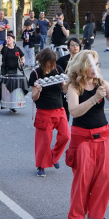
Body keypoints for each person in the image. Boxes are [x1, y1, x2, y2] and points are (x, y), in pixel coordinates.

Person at [65, 50, 109, 219]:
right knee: (83, 178)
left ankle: (97, 215)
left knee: (104, 177)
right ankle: (76, 216)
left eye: (97, 64)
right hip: (82, 137)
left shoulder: (101, 83)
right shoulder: (74, 86)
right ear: (82, 66)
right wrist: (95, 98)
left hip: (103, 135)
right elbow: (74, 111)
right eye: (91, 64)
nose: (94, 68)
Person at [28, 49, 71, 177]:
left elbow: (64, 89)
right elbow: (34, 97)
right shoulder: (35, 74)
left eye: (53, 62)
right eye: (50, 63)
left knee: (66, 136)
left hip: (59, 109)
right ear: (43, 62)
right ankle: (41, 166)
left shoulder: (58, 69)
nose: (52, 65)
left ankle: (53, 155)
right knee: (44, 141)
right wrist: (38, 90)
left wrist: (67, 83)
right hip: (43, 111)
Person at [0, 33, 26, 113]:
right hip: (5, 71)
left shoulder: (17, 49)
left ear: (13, 40)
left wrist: (22, 62)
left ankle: (11, 106)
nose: (8, 39)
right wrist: (2, 44)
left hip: (14, 71)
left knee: (12, 88)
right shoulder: (4, 48)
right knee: (2, 88)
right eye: (7, 38)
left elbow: (22, 57)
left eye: (9, 38)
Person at [57, 37, 81, 121]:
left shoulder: (83, 59)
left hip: (80, 86)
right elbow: (58, 74)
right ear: (68, 47)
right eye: (73, 45)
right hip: (67, 87)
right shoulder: (62, 60)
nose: (75, 47)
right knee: (65, 110)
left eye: (77, 45)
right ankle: (65, 129)